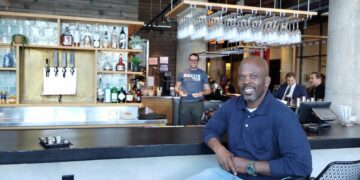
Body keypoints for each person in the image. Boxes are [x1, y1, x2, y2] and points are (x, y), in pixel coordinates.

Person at [186, 56, 312, 179]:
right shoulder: (231, 106)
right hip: (233, 176)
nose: (246, 81)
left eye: (253, 76)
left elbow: (301, 165)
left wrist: (250, 166)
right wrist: (219, 149)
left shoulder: (283, 115)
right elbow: (210, 129)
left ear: (267, 81)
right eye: (242, 77)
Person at [175, 53, 211, 125]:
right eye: (191, 60)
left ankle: (196, 137)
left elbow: (208, 90)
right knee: (182, 125)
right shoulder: (182, 73)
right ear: (189, 61)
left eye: (195, 60)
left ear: (198, 61)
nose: (193, 62)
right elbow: (176, 88)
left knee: (197, 126)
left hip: (198, 104)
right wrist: (179, 92)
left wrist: (201, 93)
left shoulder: (203, 74)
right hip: (184, 103)